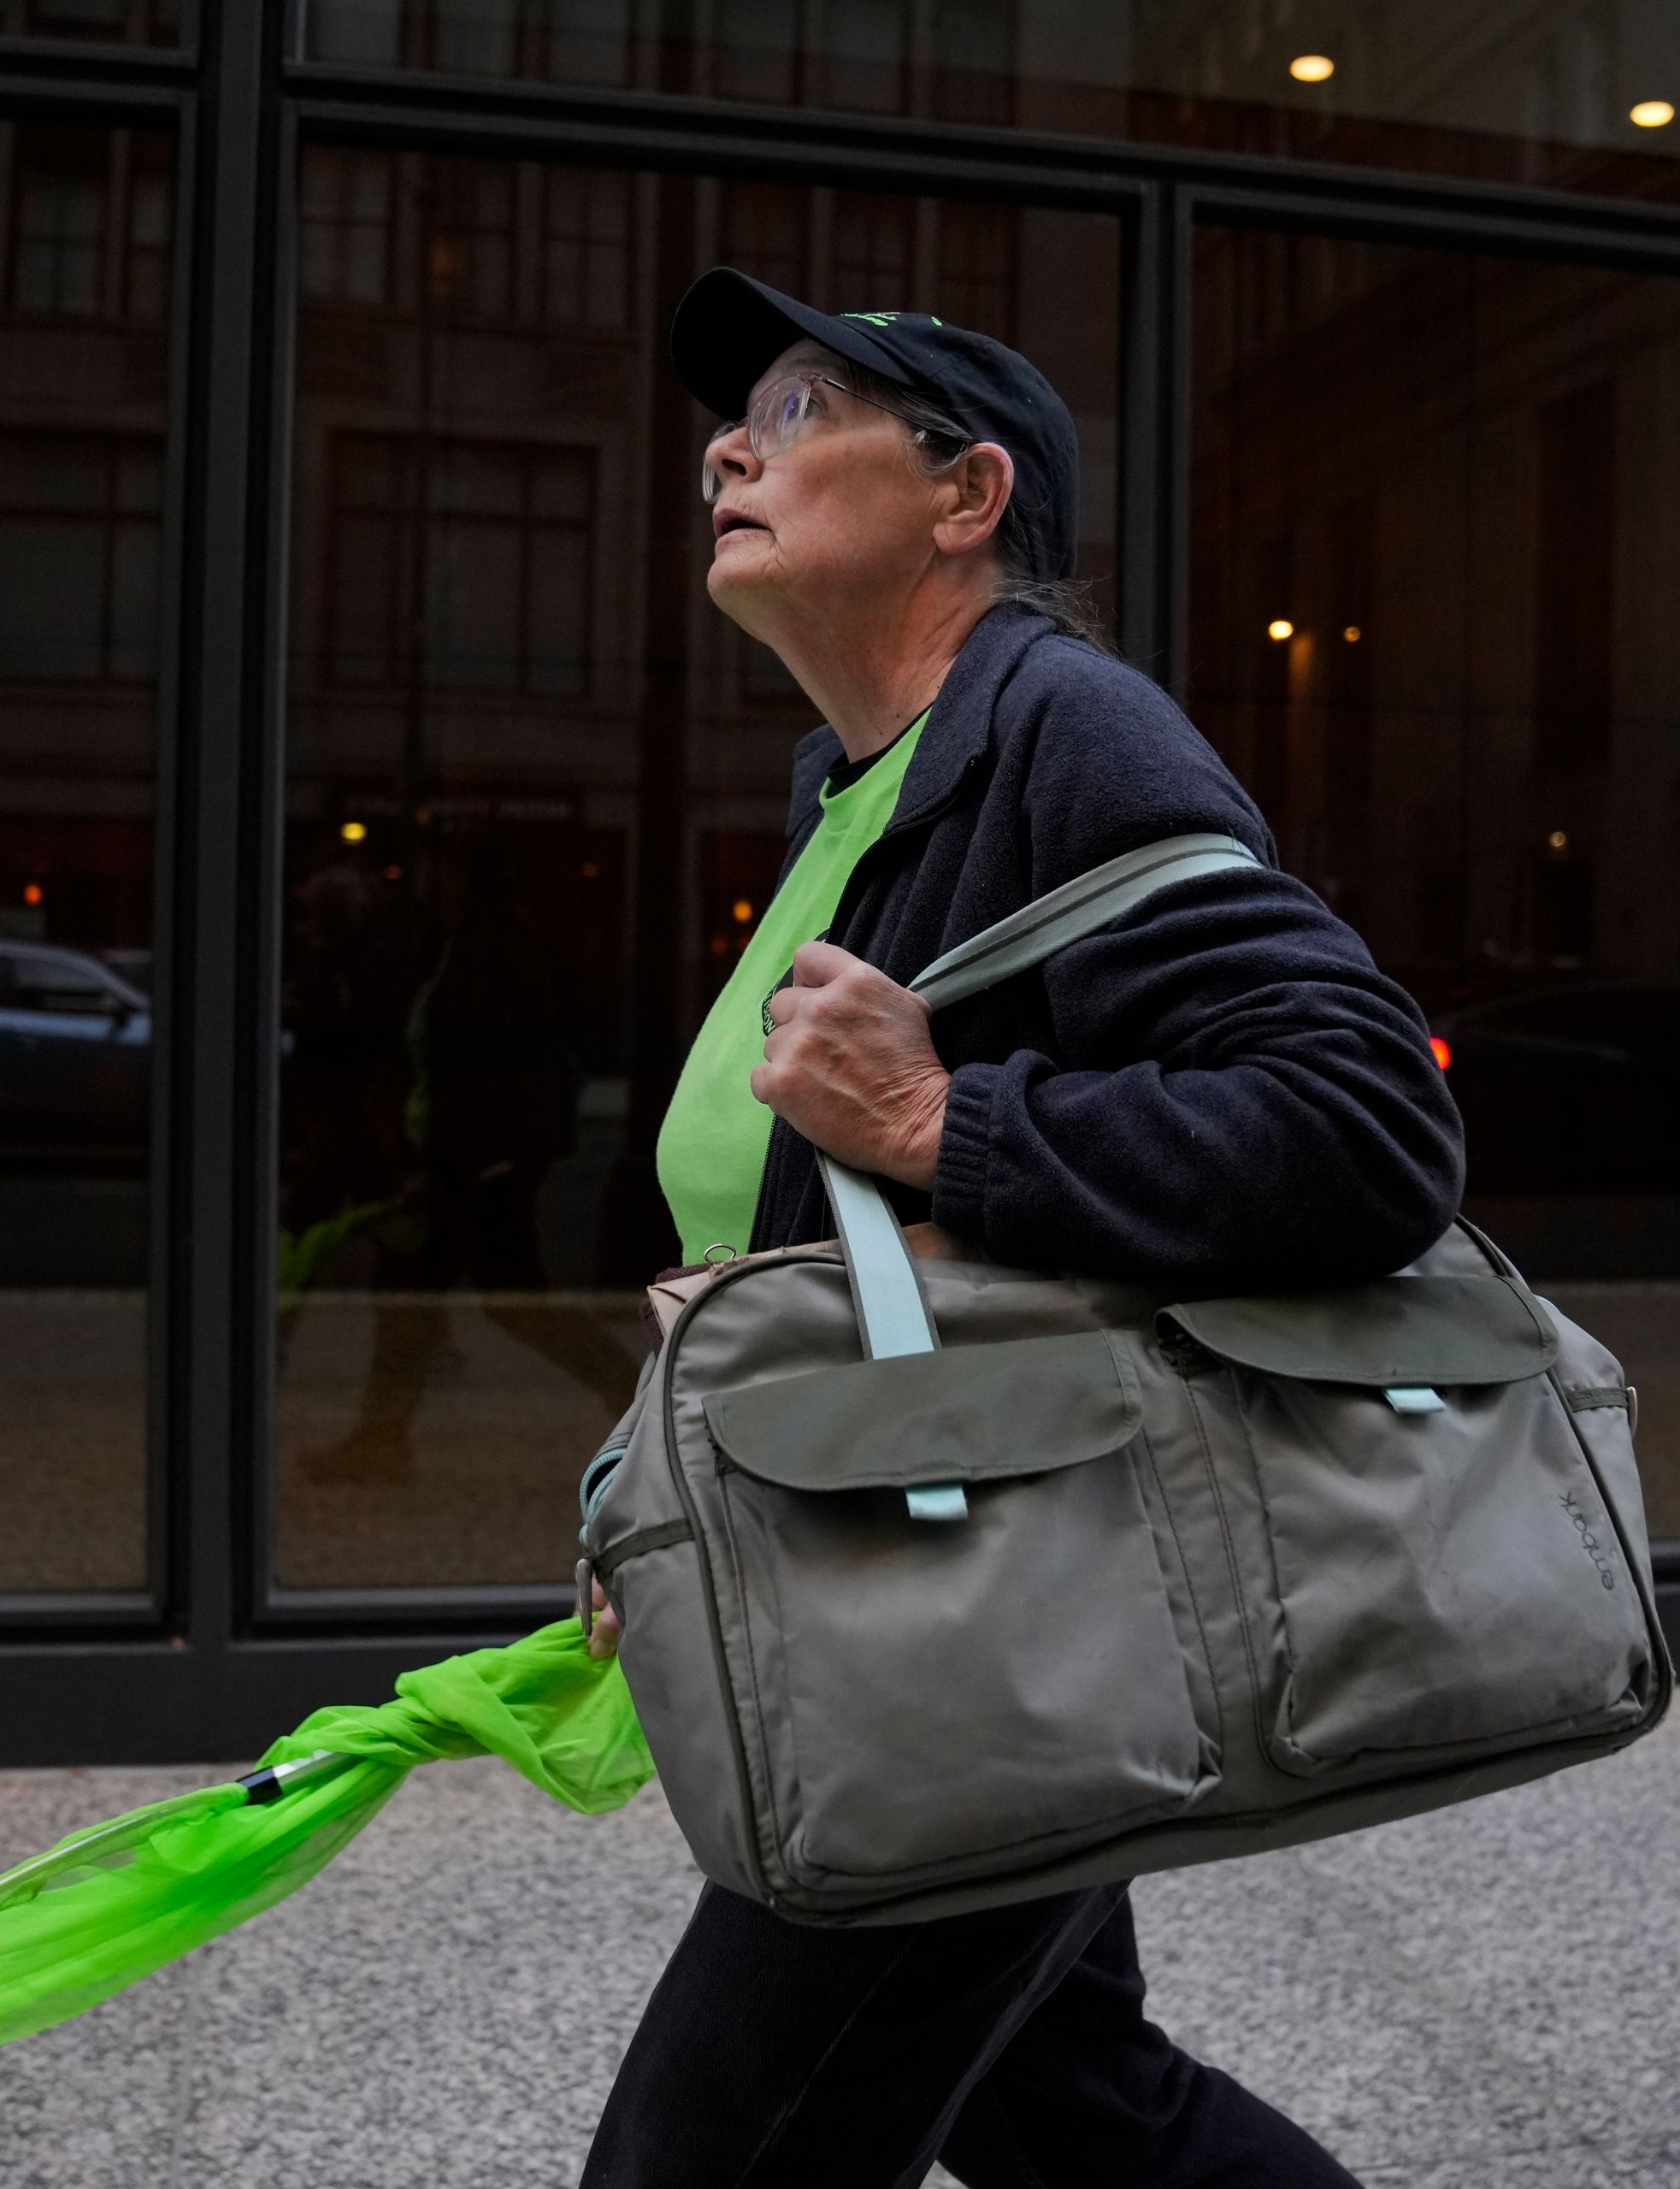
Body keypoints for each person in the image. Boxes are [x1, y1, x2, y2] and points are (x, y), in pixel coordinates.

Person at [578, 269, 1466, 2189]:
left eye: (808, 412)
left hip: (994, 1620)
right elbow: (796, 1234)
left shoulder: (1065, 725)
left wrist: (939, 1112)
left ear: (968, 496)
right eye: (743, 420)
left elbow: (1370, 1121)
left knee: (699, 2155)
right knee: (1069, 2100)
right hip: (923, 1582)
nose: (733, 445)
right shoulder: (856, 785)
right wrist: (661, 1495)